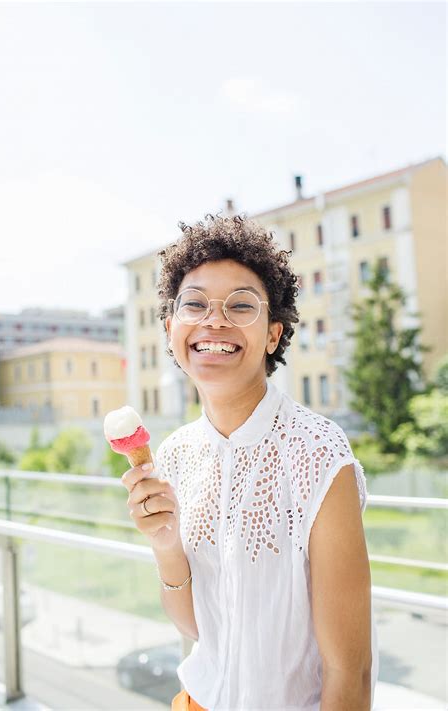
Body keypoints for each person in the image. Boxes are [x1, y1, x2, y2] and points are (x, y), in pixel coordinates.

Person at [121, 214, 379, 711]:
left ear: (272, 334)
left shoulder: (320, 454)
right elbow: (196, 628)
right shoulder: (174, 454)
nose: (214, 320)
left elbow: (351, 670)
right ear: (172, 329)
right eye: (194, 304)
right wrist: (166, 544)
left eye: (241, 306)